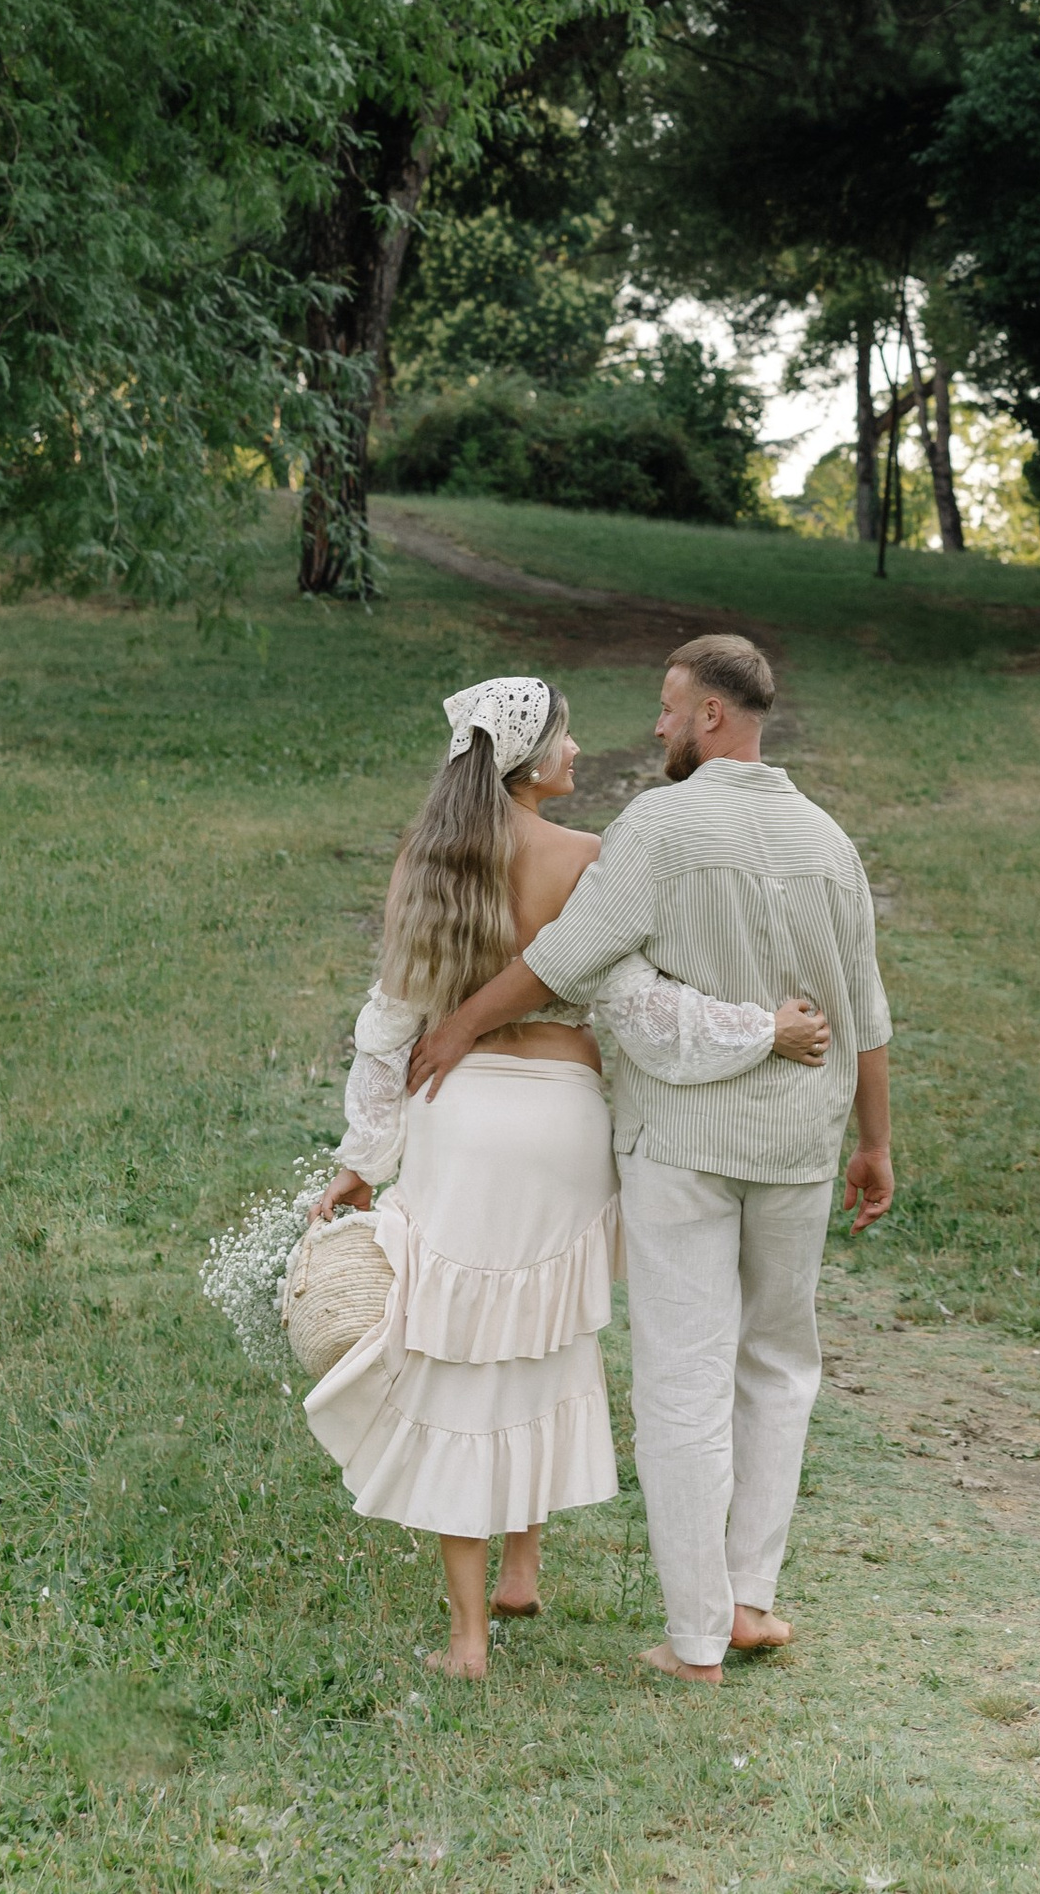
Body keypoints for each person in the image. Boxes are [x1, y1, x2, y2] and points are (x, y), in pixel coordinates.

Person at [304, 672, 830, 1679]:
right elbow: (636, 1006)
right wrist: (762, 1029)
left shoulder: (427, 860)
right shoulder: (588, 860)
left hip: (456, 1118)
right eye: (567, 737)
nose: (580, 750)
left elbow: (387, 1025)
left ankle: (468, 1637)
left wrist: (361, 1160)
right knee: (541, 1336)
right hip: (560, 1128)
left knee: (461, 1354)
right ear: (532, 760)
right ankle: (522, 1568)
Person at [407, 631, 893, 1683]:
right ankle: (751, 1597)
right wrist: (876, 1141)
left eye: (669, 710)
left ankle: (697, 1637)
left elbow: (564, 959)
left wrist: (455, 1028)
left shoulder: (658, 827)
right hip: (801, 1144)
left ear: (711, 715)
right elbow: (868, 1010)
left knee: (681, 1375)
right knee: (779, 1365)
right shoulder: (828, 841)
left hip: (684, 1142)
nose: (658, 727)